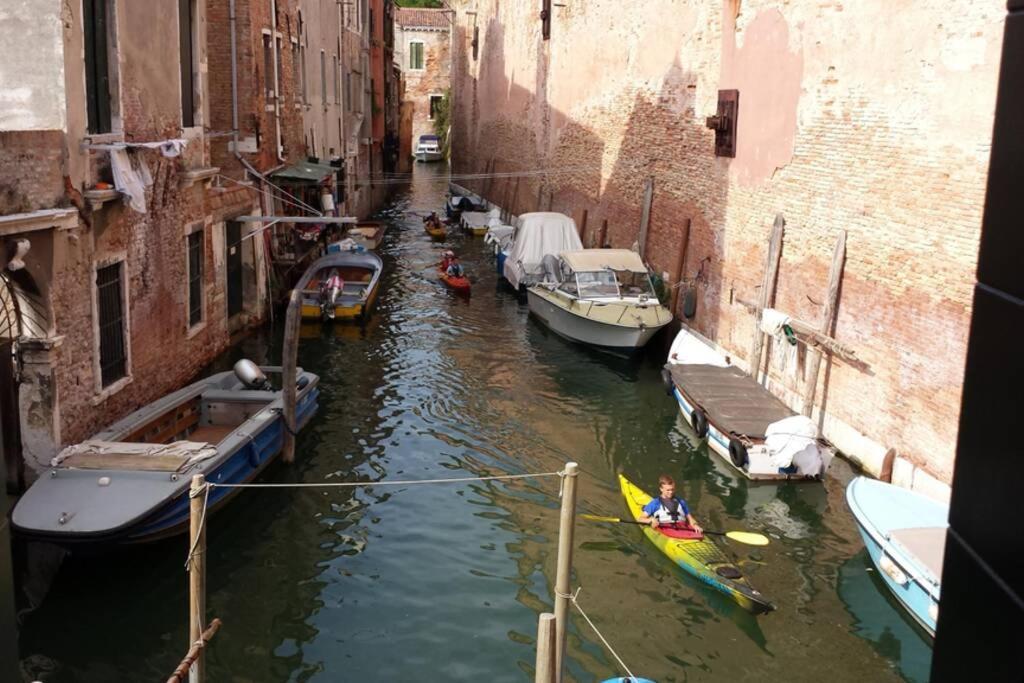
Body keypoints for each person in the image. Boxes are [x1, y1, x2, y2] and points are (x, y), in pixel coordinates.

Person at [638, 474, 703, 534]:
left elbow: (690, 518)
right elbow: (640, 519)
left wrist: (695, 525)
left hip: (683, 529)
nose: (671, 492)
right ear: (661, 489)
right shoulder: (655, 503)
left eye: (672, 489)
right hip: (664, 530)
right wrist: (651, 520)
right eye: (668, 490)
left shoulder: (681, 502)